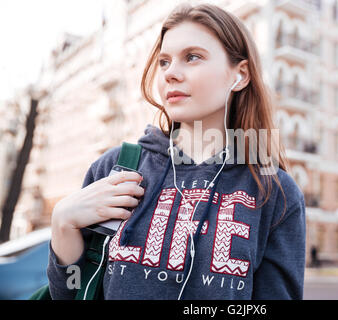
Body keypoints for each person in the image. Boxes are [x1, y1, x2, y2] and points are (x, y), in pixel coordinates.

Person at [47, 3, 306, 300]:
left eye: (192, 57)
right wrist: (62, 225)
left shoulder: (276, 193)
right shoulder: (114, 169)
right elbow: (71, 295)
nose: (171, 73)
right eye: (164, 61)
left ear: (240, 75)